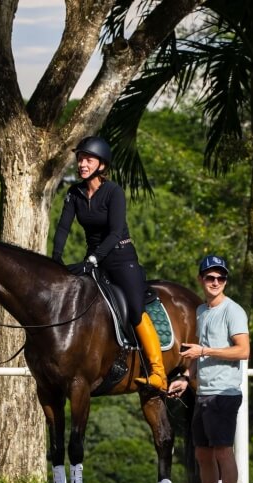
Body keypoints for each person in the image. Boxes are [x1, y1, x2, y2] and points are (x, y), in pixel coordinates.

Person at [51, 135, 167, 392]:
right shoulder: (74, 193)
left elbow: (115, 233)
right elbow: (63, 227)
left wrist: (92, 260)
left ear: (101, 165)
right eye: (80, 159)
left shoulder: (114, 192)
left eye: (88, 160)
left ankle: (158, 371)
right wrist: (56, 258)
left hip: (121, 258)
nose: (82, 164)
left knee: (135, 309)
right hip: (94, 260)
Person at [168, 255, 250, 483]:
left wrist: (204, 350)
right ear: (200, 279)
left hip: (224, 393)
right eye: (210, 277)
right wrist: (186, 377)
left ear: (225, 281)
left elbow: (243, 350)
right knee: (203, 454)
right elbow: (198, 354)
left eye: (221, 278)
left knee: (223, 452)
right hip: (203, 392)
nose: (216, 282)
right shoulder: (202, 311)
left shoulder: (233, 311)